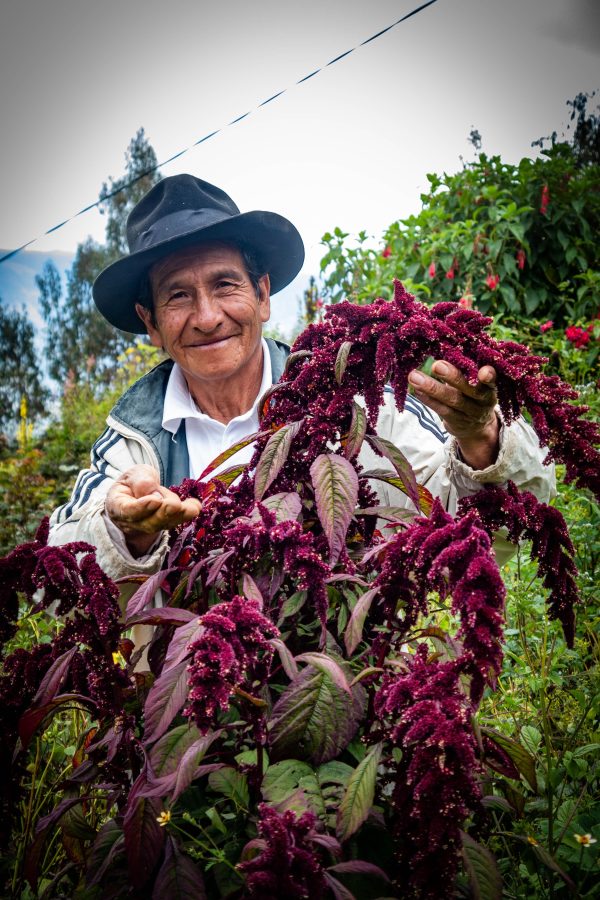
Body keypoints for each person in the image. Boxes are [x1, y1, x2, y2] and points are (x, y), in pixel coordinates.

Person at [49, 174, 554, 577]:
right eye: (178, 296)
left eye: (225, 285)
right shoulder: (132, 442)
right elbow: (59, 567)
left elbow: (496, 525)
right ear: (150, 323)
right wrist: (125, 530)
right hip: (206, 698)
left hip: (350, 690)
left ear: (263, 295)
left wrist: (480, 439)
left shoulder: (354, 404)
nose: (206, 317)